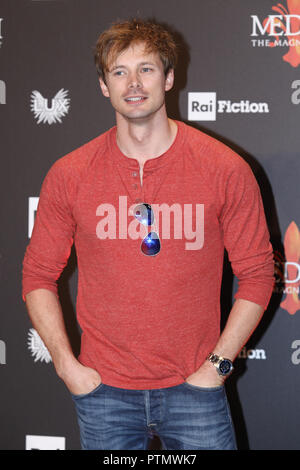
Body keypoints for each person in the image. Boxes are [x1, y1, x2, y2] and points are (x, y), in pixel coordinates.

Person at [22, 18, 274, 450]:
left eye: (147, 69)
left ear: (170, 78)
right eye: (119, 71)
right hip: (103, 393)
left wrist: (217, 367)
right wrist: (68, 367)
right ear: (104, 85)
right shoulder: (70, 174)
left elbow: (257, 274)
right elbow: (37, 276)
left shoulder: (224, 168)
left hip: (196, 390)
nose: (133, 83)